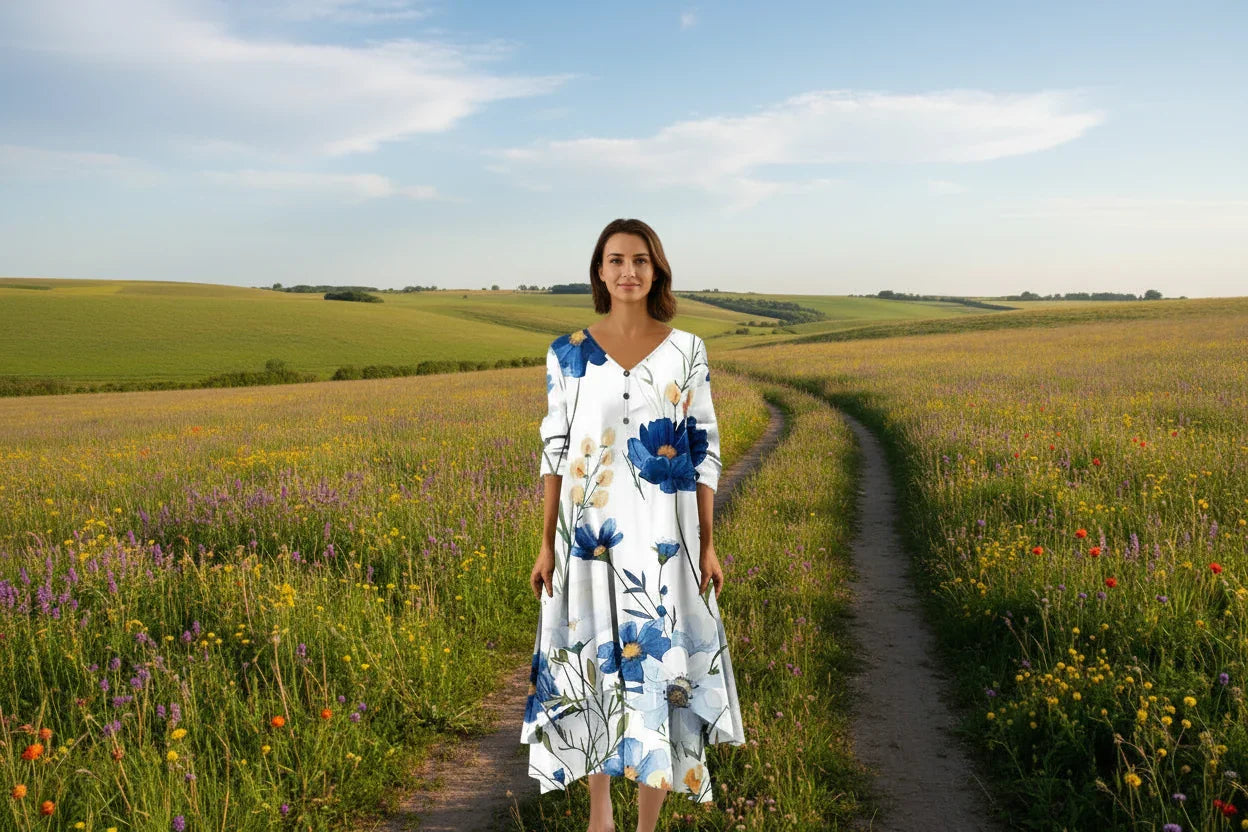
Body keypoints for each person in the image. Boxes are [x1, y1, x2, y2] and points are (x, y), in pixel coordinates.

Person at [522, 218, 746, 832]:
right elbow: (555, 449)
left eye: (640, 260)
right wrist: (547, 543)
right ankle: (601, 818)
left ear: (657, 270)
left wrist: (708, 543)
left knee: (661, 670)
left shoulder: (687, 350)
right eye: (616, 259)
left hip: (665, 539)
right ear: (599, 270)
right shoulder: (566, 353)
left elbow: (703, 449)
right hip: (586, 535)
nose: (628, 270)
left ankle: (647, 826)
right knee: (594, 661)